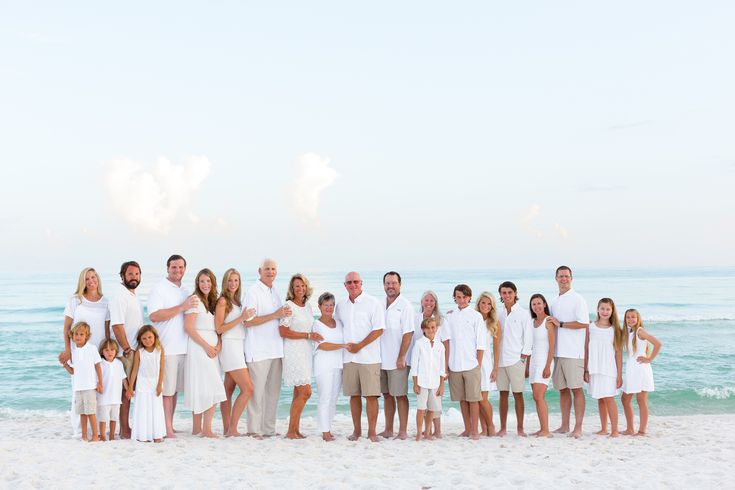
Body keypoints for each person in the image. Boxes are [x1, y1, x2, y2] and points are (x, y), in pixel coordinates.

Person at [147, 254, 198, 439]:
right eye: (174, 267)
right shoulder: (159, 289)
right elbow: (154, 316)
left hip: (183, 348)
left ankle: (169, 424)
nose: (177, 270)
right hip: (167, 349)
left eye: (181, 267)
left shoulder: (185, 290)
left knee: (174, 390)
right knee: (166, 392)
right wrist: (182, 306)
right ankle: (166, 429)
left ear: (185, 269)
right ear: (167, 268)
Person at [58, 267, 110, 437]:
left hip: (98, 354)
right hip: (79, 353)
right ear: (82, 281)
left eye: (93, 277)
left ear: (98, 279)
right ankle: (81, 431)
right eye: (87, 278)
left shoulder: (106, 301)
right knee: (79, 390)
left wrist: (109, 352)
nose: (91, 281)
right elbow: (67, 328)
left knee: (99, 392)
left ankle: (101, 430)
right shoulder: (75, 300)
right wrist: (68, 351)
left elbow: (107, 330)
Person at [243, 258, 291, 438]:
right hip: (258, 350)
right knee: (257, 394)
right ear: (259, 271)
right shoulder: (253, 292)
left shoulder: (275, 291)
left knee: (273, 393)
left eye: (273, 269)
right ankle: (254, 430)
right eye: (267, 269)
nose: (270, 272)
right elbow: (248, 322)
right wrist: (275, 315)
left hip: (276, 349)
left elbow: (280, 317)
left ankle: (269, 429)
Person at [336, 271, 385, 442]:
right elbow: (337, 328)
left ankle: (372, 432)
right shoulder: (340, 305)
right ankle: (356, 431)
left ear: (361, 283)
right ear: (345, 285)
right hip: (348, 359)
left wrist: (360, 346)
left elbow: (379, 329)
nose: (353, 285)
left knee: (371, 396)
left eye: (356, 281)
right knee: (353, 396)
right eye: (349, 282)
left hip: (369, 358)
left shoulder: (373, 303)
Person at [184, 269, 227, 438]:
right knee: (211, 386)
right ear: (197, 283)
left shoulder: (212, 302)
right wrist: (207, 346)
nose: (205, 284)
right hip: (198, 347)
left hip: (212, 347)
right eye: (202, 281)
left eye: (208, 281)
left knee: (203, 387)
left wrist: (219, 344)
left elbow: (218, 328)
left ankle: (197, 429)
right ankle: (206, 429)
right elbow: (188, 328)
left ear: (213, 283)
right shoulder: (194, 300)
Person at [547, 266, 590, 438]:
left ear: (571, 278)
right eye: (560, 276)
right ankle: (564, 426)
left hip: (574, 353)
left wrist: (562, 324)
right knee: (562, 390)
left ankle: (578, 427)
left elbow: (584, 324)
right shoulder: (554, 301)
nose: (563, 279)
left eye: (566, 276)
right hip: (558, 353)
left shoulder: (578, 299)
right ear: (556, 278)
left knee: (576, 389)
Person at [280, 273, 322, 439]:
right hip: (293, 352)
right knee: (306, 392)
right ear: (292, 288)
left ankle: (294, 430)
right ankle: (291, 430)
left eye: (303, 285)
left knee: (298, 393)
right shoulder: (289, 306)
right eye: (297, 286)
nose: (300, 288)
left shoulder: (308, 306)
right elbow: (283, 331)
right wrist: (308, 336)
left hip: (305, 352)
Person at [215, 268, 255, 437]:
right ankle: (233, 428)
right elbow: (219, 328)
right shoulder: (223, 301)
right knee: (248, 389)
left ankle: (227, 429)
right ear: (225, 282)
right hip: (230, 347)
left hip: (239, 345)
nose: (233, 284)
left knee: (228, 390)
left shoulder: (237, 301)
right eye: (230, 280)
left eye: (236, 280)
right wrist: (241, 318)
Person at [445, 284, 485, 440]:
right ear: (455, 297)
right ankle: (467, 429)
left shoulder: (476, 316)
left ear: (469, 297)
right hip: (455, 364)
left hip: (471, 364)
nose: (461, 300)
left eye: (464, 297)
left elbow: (481, 344)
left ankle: (475, 430)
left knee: (473, 399)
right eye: (458, 297)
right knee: (462, 399)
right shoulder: (450, 316)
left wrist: (478, 365)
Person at [109, 260, 144, 439]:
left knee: (131, 391)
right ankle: (124, 429)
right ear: (122, 276)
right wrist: (126, 348)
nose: (134, 277)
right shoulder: (119, 296)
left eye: (137, 274)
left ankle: (129, 426)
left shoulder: (132, 295)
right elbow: (116, 325)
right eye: (130, 274)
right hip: (125, 353)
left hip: (134, 350)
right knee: (125, 392)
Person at [378, 271, 414, 440]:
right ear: (384, 285)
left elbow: (408, 333)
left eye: (393, 283)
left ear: (400, 285)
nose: (390, 286)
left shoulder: (405, 305)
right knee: (386, 395)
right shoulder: (379, 304)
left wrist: (401, 357)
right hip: (380, 359)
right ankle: (388, 429)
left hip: (397, 360)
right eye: (387, 283)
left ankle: (403, 431)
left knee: (400, 395)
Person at [409, 291, 449, 438]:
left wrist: (442, 383)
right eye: (426, 300)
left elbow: (441, 367)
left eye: (434, 328)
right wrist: (414, 383)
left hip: (435, 383)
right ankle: (419, 432)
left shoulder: (440, 345)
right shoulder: (419, 344)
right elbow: (414, 365)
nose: (431, 330)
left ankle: (428, 432)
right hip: (422, 381)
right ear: (423, 330)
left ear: (436, 329)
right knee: (421, 408)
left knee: (432, 408)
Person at [496, 281, 533, 437]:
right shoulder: (498, 313)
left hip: (516, 360)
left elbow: (529, 338)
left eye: (509, 292)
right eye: (504, 293)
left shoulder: (524, 314)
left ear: (515, 294)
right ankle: (503, 428)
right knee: (502, 394)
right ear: (500, 295)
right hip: (500, 361)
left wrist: (524, 359)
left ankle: (520, 428)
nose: (507, 295)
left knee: (518, 394)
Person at [586, 298, 624, 437]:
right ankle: (604, 429)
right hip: (595, 368)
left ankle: (615, 430)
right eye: (602, 308)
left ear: (612, 311)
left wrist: (619, 375)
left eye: (608, 309)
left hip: (609, 369)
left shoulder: (615, 330)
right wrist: (586, 369)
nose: (605, 311)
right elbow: (586, 349)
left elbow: (618, 354)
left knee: (609, 398)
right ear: (597, 309)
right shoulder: (590, 327)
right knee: (600, 399)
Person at [621, 309, 662, 436]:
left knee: (641, 400)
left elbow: (658, 343)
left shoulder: (640, 331)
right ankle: (630, 429)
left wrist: (649, 359)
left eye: (633, 317)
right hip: (632, 369)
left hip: (641, 369)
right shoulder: (628, 332)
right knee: (625, 399)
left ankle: (642, 430)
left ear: (638, 318)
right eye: (628, 317)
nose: (630, 319)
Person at [312, 292, 347, 442]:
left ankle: (328, 427)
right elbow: (323, 345)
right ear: (319, 307)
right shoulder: (316, 324)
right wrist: (342, 345)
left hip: (337, 365)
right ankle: (324, 431)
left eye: (331, 305)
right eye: (325, 305)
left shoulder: (339, 323)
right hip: (323, 365)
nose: (329, 308)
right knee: (324, 398)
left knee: (333, 398)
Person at [60, 321, 103, 442]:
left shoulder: (92, 349)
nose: (78, 337)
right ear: (72, 336)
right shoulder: (73, 352)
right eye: (76, 334)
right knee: (82, 414)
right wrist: (65, 365)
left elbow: (98, 366)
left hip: (89, 387)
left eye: (81, 334)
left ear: (87, 336)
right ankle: (84, 436)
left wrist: (100, 382)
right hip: (78, 388)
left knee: (91, 413)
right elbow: (73, 371)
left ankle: (95, 435)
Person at [129, 325, 166, 443]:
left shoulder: (159, 350)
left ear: (155, 337)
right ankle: (143, 435)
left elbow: (161, 369)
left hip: (155, 383)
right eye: (144, 339)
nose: (147, 340)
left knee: (156, 409)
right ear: (140, 340)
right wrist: (130, 387)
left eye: (150, 337)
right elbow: (134, 370)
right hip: (142, 383)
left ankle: (157, 435)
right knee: (143, 409)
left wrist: (160, 384)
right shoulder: (139, 352)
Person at [528, 293, 555, 437]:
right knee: (535, 397)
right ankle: (542, 428)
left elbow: (552, 346)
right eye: (534, 304)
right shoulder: (531, 322)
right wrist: (527, 366)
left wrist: (547, 366)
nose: (536, 306)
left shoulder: (548, 321)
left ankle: (546, 430)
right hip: (533, 362)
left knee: (539, 396)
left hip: (544, 362)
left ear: (544, 304)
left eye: (539, 303)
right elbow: (530, 346)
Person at [475, 292, 500, 437]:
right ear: (478, 304)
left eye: (489, 304)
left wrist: (495, 368)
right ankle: (483, 428)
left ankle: (491, 425)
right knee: (476, 398)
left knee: (483, 399)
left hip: (485, 363)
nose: (485, 306)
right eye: (483, 303)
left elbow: (496, 348)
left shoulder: (494, 324)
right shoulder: (473, 318)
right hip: (472, 361)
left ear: (492, 307)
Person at [96, 339, 131, 441]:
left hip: (116, 397)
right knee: (103, 418)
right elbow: (96, 379)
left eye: (112, 350)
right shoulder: (100, 364)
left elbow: (123, 378)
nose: (110, 352)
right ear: (102, 351)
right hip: (103, 398)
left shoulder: (119, 363)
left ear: (116, 351)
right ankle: (102, 435)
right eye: (106, 350)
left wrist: (128, 390)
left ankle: (111, 436)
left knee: (114, 418)